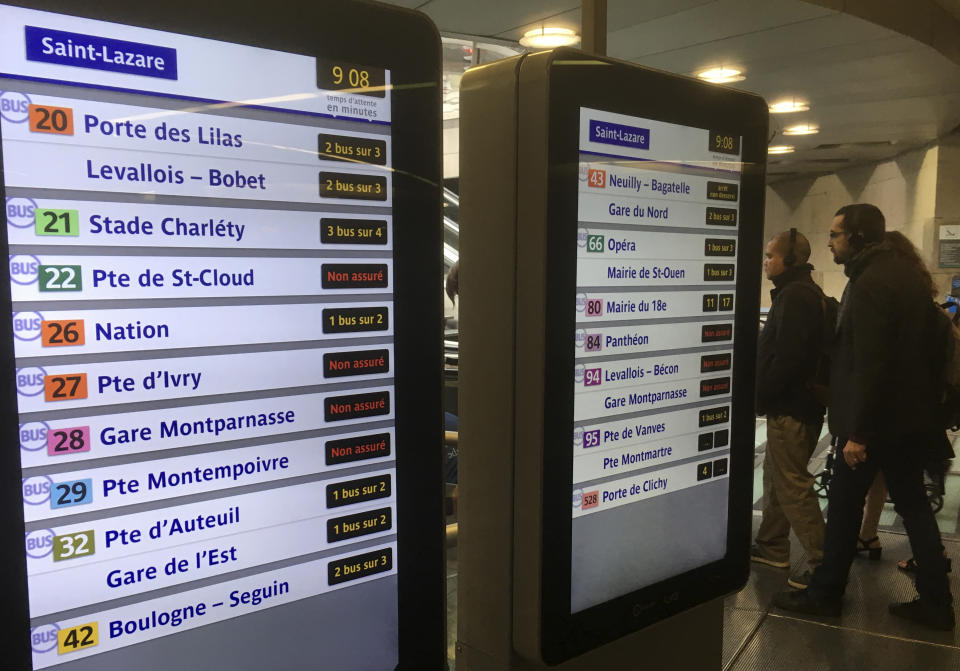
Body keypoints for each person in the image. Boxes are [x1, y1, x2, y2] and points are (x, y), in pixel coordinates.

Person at [774, 204, 954, 630]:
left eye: (835, 234)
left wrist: (858, 432)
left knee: (842, 507)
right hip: (908, 420)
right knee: (913, 508)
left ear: (856, 236)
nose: (830, 242)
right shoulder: (905, 275)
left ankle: (825, 594)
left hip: (877, 425)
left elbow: (871, 363)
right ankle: (937, 601)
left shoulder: (871, 282)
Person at [751, 228, 828, 589]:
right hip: (793, 407)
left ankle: (822, 563)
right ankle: (772, 545)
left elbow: (789, 360)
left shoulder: (796, 296)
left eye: (771, 256)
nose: (766, 261)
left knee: (794, 484)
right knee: (777, 478)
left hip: (793, 408)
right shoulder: (798, 293)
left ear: (791, 260)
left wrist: (762, 394)